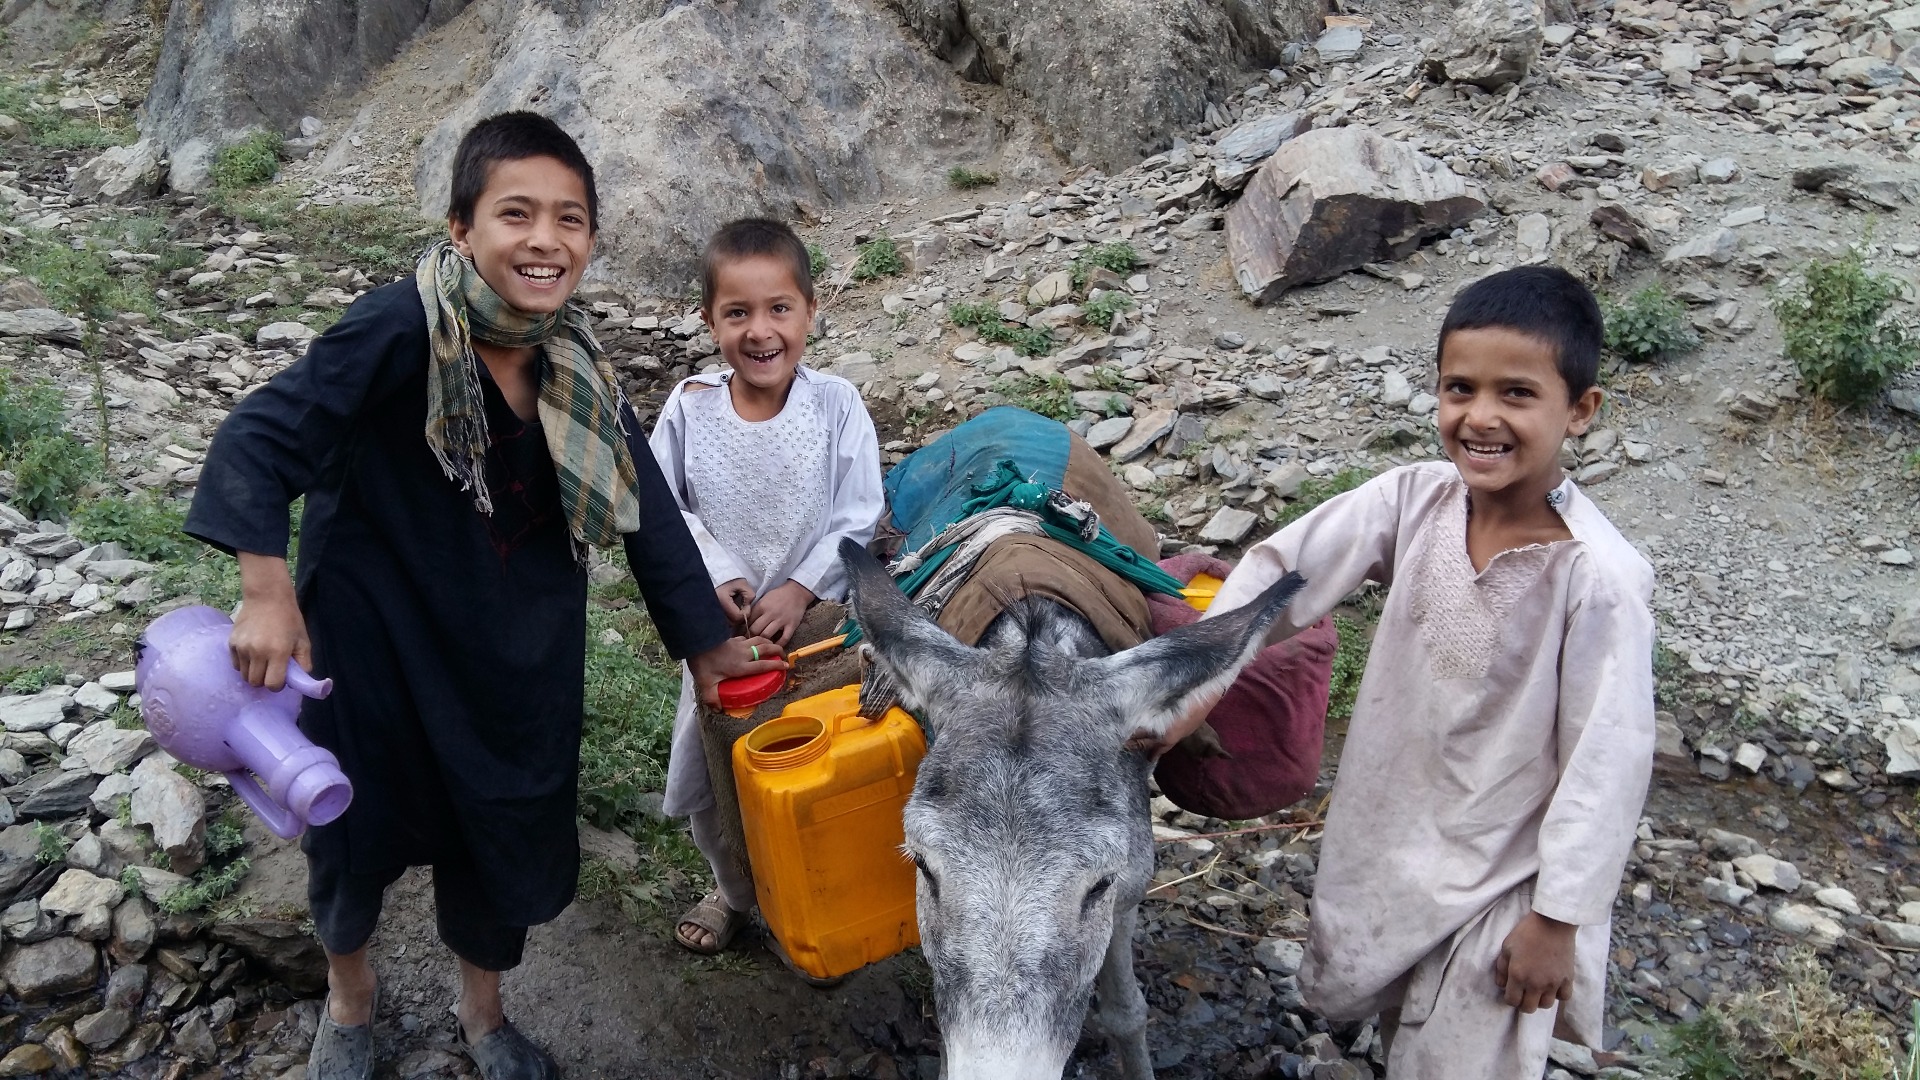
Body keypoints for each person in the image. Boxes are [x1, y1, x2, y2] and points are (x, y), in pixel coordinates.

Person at [184, 113, 785, 1080]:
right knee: (349, 830)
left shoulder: (575, 363)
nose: (545, 239)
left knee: (499, 828)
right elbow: (259, 437)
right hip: (373, 646)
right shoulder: (398, 327)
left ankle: (484, 1015)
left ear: (590, 240)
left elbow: (647, 507)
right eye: (517, 213)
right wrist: (265, 589)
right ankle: (351, 1000)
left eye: (571, 219)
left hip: (515, 656)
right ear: (463, 228)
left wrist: (705, 643)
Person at [1164, 266, 1655, 1078]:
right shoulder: (1415, 500)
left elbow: (1609, 760)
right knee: (1405, 1032)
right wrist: (1195, 675)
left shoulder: (1597, 578)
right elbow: (1285, 571)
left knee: (1463, 1058)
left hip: (1506, 883)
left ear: (1581, 410)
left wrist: (1558, 919)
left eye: (1517, 394)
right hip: (1400, 837)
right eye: (1460, 388)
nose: (1481, 417)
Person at [648, 218, 883, 959]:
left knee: (812, 764)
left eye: (779, 308)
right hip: (722, 633)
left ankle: (810, 892)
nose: (761, 331)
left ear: (811, 310)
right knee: (717, 772)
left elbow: (860, 511)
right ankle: (734, 889)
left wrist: (802, 589)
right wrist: (719, 574)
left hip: (814, 629)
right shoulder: (689, 408)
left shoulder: (836, 404)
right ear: (708, 320)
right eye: (737, 313)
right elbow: (662, 508)